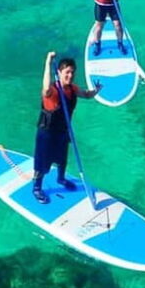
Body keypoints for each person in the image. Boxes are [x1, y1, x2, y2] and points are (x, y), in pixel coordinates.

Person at [33, 51, 101, 204]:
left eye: (72, 72)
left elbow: (86, 94)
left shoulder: (72, 89)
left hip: (63, 132)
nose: (70, 75)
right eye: (67, 72)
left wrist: (96, 91)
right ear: (59, 72)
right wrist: (48, 62)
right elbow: (45, 88)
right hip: (47, 134)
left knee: (62, 159)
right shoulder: (52, 91)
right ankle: (36, 188)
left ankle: (61, 179)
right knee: (43, 164)